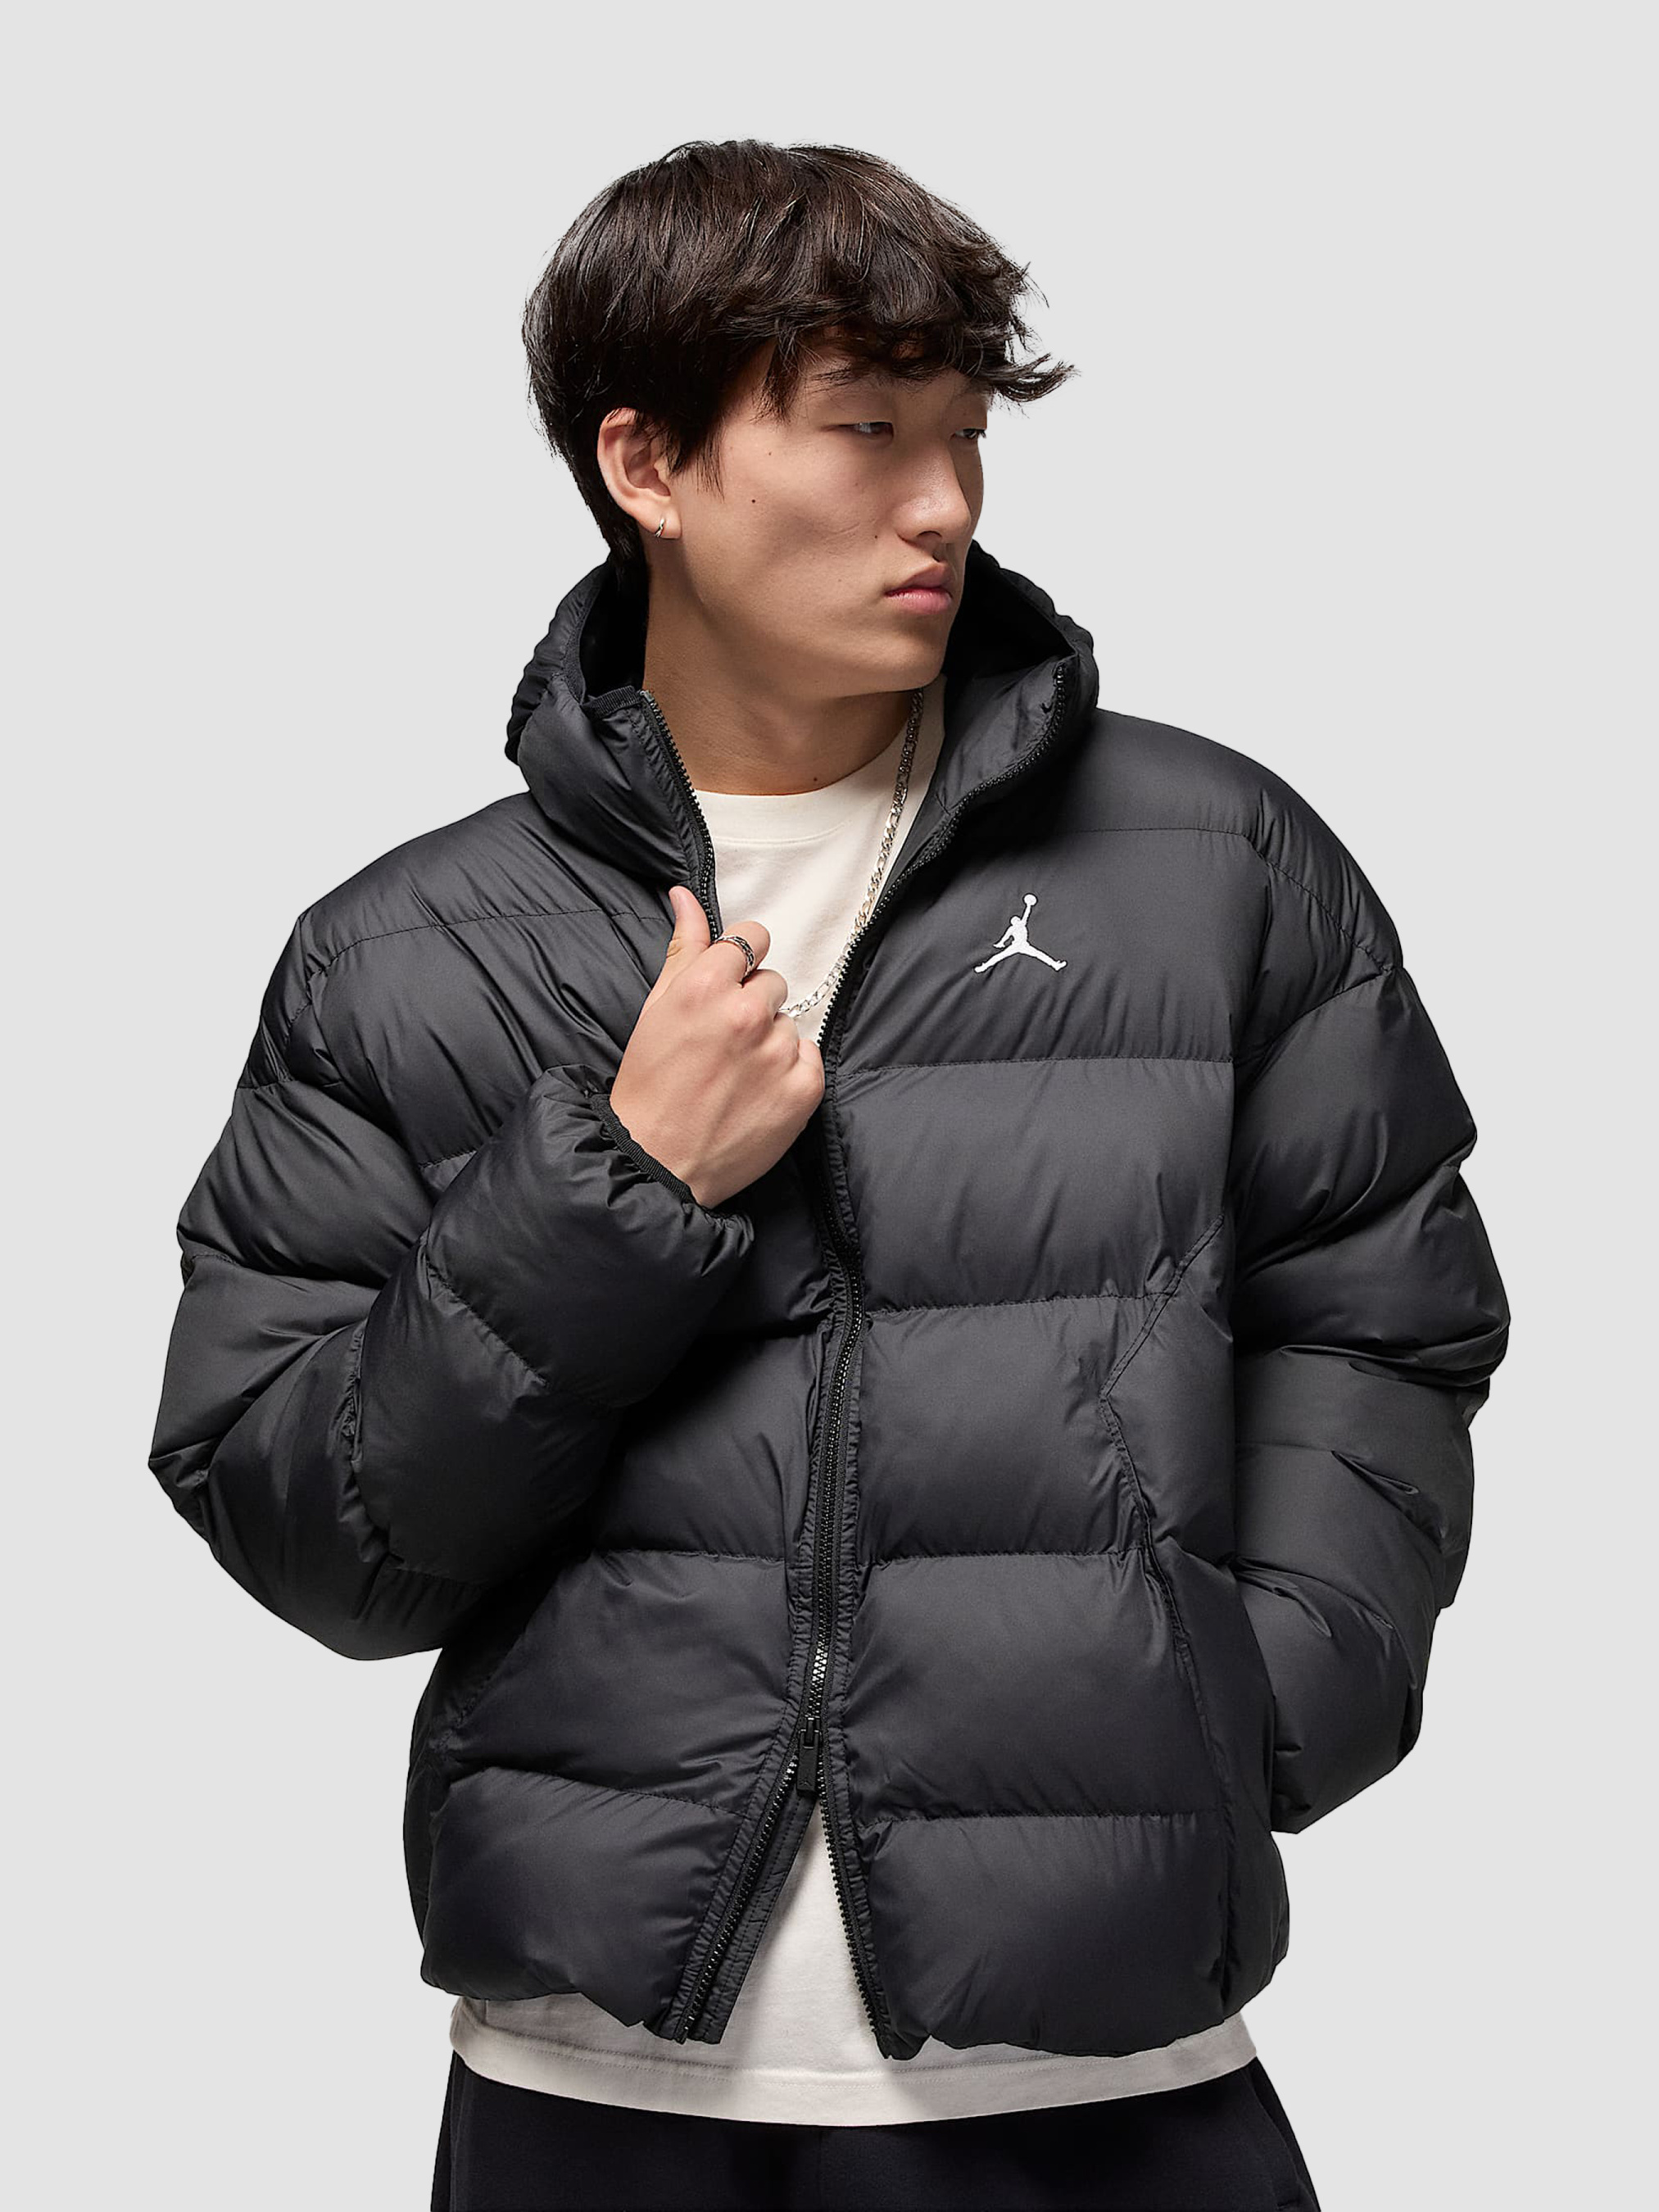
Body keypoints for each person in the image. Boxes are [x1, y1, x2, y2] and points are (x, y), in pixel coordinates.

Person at [147, 138, 1508, 2212]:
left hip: (1105, 2073)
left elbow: (1379, 1321)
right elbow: (317, 1535)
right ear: (646, 463)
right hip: (598, 2096)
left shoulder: (1216, 870)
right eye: (868, 431)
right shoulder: (404, 957)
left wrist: (1247, 1708)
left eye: (963, 437)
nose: (943, 503)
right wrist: (618, 1185)